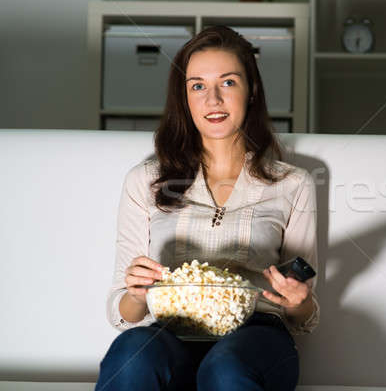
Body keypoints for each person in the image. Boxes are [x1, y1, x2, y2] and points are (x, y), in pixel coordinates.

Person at [95, 25, 319, 391]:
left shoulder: (293, 184)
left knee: (226, 368)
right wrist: (137, 294)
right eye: (197, 85)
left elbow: (306, 316)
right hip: (171, 333)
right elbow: (121, 310)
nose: (212, 99)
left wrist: (299, 301)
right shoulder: (145, 180)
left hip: (258, 338)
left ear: (252, 91)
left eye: (228, 83)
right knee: (131, 353)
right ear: (184, 97)